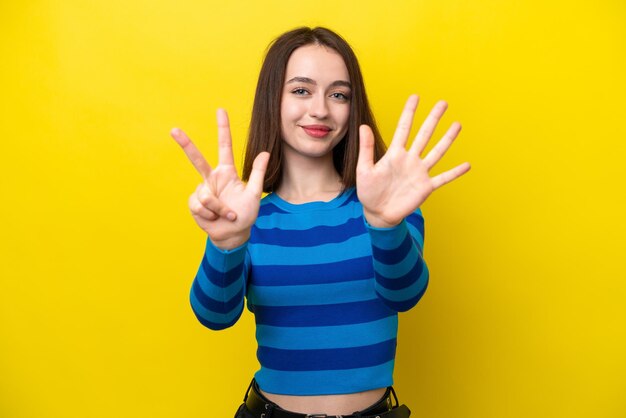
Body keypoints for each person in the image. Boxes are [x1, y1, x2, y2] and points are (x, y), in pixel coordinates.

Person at [171, 26, 470, 418]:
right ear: (272, 101)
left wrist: (382, 222)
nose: (321, 109)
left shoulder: (389, 206)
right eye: (301, 90)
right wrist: (226, 244)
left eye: (339, 94)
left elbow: (405, 294)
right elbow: (214, 315)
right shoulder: (246, 216)